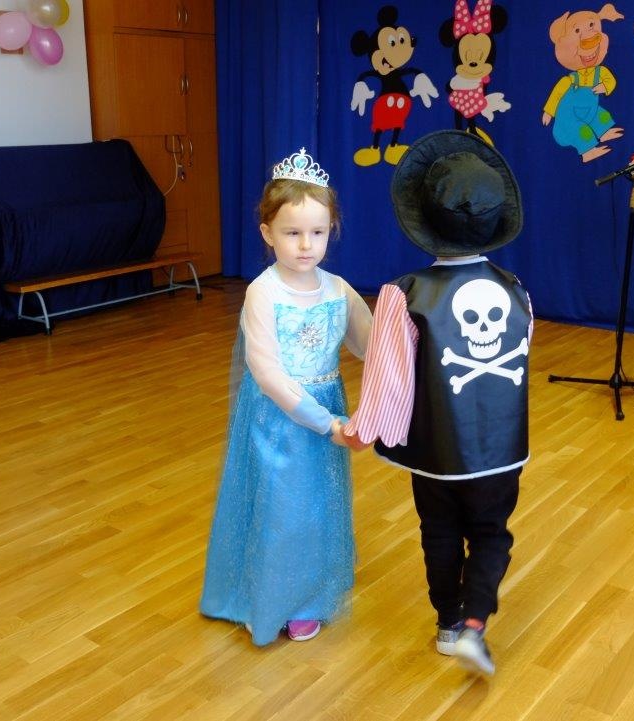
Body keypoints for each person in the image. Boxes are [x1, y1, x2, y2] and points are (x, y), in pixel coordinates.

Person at [341, 130, 530, 676]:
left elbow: (388, 378)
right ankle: (475, 622)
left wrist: (364, 428)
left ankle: (448, 623)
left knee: (440, 530)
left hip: (436, 453)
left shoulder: (403, 294)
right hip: (501, 450)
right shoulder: (516, 289)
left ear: (423, 219)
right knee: (492, 533)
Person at [198, 148, 372, 646]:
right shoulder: (264, 292)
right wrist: (327, 423)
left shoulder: (338, 289)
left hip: (328, 414)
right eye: (292, 233)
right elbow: (267, 372)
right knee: (279, 509)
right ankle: (267, 600)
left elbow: (371, 346)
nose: (306, 245)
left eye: (318, 232)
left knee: (317, 508)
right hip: (278, 420)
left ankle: (307, 600)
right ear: (267, 232)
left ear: (331, 230)